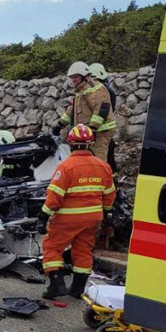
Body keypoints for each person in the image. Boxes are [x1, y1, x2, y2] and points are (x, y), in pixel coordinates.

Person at [38, 124, 116, 299]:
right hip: (93, 218)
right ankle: (77, 289)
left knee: (52, 247)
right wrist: (108, 214)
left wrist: (43, 216)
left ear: (71, 144)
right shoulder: (103, 166)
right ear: (91, 144)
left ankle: (57, 285)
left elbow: (55, 196)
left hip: (67, 219)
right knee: (83, 250)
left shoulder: (66, 167)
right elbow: (109, 194)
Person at [54, 61, 115, 162]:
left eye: (76, 77)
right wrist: (60, 125)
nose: (73, 80)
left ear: (85, 76)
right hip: (88, 132)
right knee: (86, 160)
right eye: (72, 77)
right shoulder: (80, 90)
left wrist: (93, 129)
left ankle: (100, 172)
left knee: (97, 159)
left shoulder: (95, 88)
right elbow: (72, 110)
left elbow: (100, 110)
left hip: (101, 131)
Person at [87, 63, 119, 173]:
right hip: (106, 132)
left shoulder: (100, 91)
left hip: (100, 132)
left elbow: (101, 112)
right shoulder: (109, 91)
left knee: (101, 160)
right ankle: (112, 179)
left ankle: (106, 179)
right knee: (109, 158)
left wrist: (92, 129)